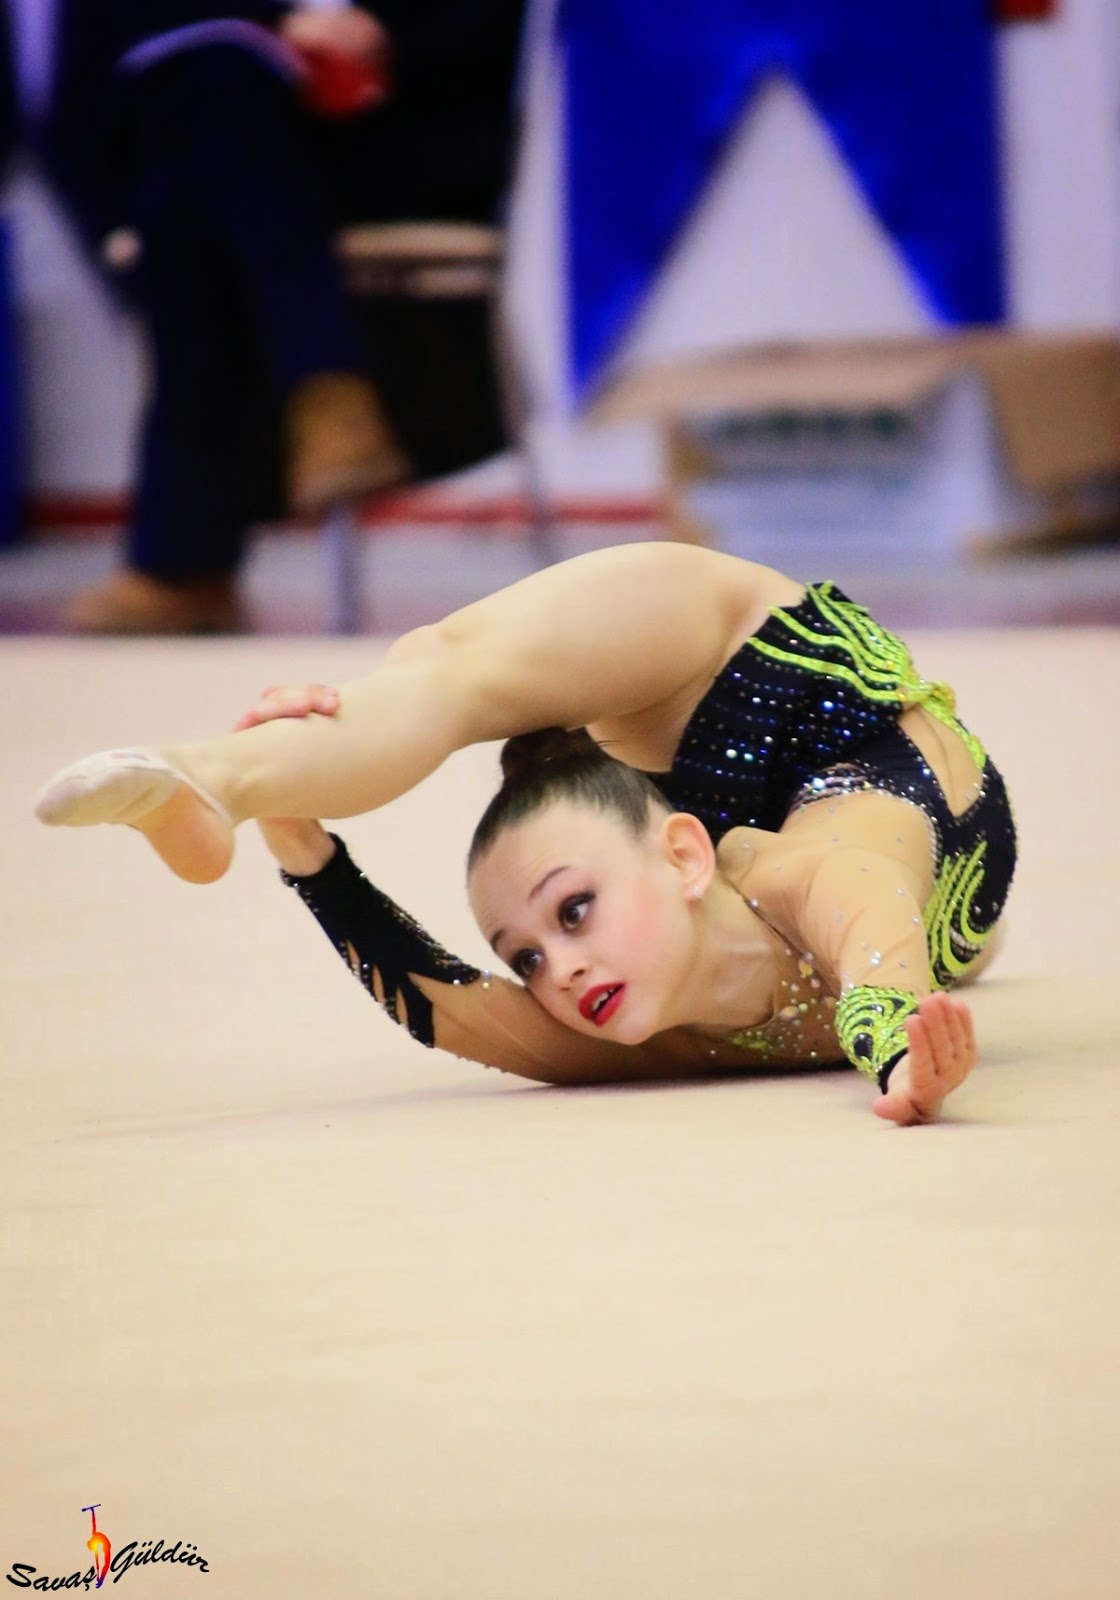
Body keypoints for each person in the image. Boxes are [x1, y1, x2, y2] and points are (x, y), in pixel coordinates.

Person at [34, 543, 1017, 1125]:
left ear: (682, 854)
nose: (559, 972)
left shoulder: (646, 1034)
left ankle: (239, 778)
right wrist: (898, 1048)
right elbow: (872, 926)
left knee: (437, 668)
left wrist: (304, 849)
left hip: (753, 685)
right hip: (765, 694)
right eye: (530, 956)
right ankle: (211, 778)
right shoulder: (800, 870)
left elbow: (448, 1008)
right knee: (442, 669)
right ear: (687, 855)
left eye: (567, 918)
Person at [38, 0, 526, 633]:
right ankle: (330, 386)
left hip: (398, 133)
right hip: (233, 139)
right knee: (214, 92)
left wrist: (360, 33)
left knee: (191, 177)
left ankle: (186, 563)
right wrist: (271, 24)